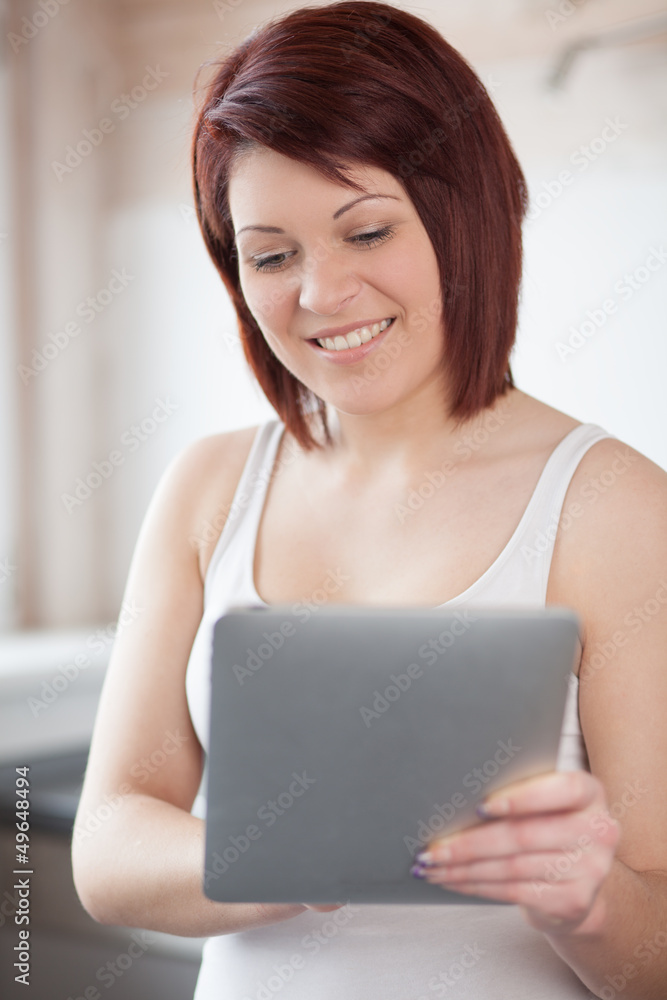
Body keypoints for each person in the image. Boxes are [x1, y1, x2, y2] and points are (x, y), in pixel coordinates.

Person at [71, 2, 667, 997]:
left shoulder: (614, 508)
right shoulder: (208, 488)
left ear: (461, 208)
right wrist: (289, 853)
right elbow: (109, 845)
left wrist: (587, 895)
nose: (321, 293)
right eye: (271, 254)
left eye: (367, 230)